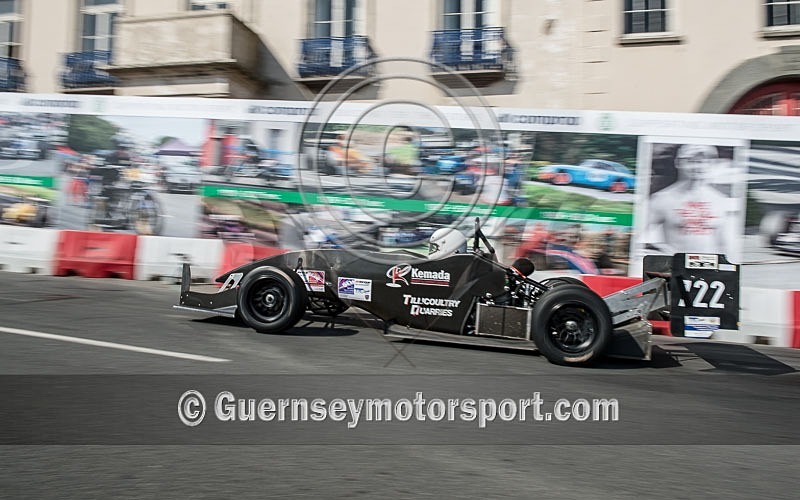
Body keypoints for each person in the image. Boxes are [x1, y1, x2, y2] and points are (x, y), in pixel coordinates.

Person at [645, 143, 733, 256]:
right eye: (691, 161)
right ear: (678, 163)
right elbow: (635, 236)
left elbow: (725, 245)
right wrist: (658, 248)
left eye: (704, 161)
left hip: (710, 265)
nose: (698, 167)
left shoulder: (719, 200)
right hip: (677, 265)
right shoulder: (662, 199)